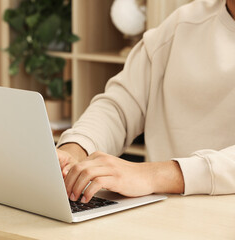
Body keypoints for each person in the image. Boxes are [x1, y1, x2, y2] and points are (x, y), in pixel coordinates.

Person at [56, 0, 235, 204]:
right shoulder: (182, 24)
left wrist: (152, 175)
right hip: (159, 214)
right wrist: (77, 148)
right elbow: (119, 106)